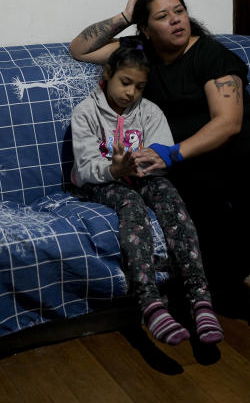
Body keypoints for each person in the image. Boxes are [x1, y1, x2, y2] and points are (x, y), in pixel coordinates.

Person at [68, 0, 250, 374]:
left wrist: (172, 153)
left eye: (179, 11)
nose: (176, 20)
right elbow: (80, 49)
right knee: (191, 207)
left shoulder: (209, 55)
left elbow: (228, 124)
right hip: (201, 163)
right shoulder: (141, 55)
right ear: (146, 29)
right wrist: (124, 17)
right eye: (162, 16)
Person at [71, 37, 224, 347]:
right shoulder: (85, 113)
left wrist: (148, 162)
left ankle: (200, 298)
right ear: (108, 74)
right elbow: (86, 167)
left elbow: (163, 153)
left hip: (141, 177)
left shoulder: (150, 112)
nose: (131, 93)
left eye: (139, 87)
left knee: (169, 196)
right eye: (125, 83)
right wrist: (114, 169)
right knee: (131, 205)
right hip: (102, 183)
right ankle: (150, 302)